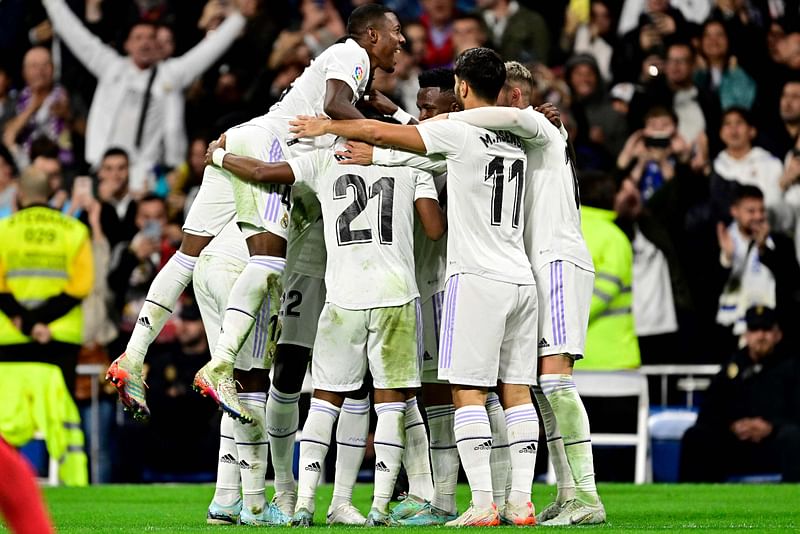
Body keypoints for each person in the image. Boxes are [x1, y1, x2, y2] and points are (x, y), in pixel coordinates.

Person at [106, 4, 406, 425]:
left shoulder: (346, 70)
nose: (403, 40)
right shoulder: (351, 53)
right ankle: (221, 364)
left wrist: (384, 114)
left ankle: (133, 355)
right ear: (372, 36)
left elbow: (336, 108)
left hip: (247, 135)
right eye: (396, 31)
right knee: (267, 260)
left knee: (186, 255)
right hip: (267, 146)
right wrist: (385, 139)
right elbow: (336, 104)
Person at [291, 47, 539, 527]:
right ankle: (454, 495)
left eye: (433, 108)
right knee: (430, 395)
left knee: (463, 393)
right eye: (419, 108)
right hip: (467, 281)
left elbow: (405, 146)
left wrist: (337, 131)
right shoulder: (519, 131)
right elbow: (416, 135)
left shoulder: (449, 142)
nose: (424, 115)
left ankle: (472, 498)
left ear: (460, 94)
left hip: (454, 282)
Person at [204, 137, 445, 526]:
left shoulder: (323, 159)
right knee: (390, 404)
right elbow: (434, 229)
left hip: (342, 297)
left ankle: (301, 504)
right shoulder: (410, 163)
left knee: (322, 401)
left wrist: (217, 155)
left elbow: (263, 173)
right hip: (397, 295)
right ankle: (380, 509)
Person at [435, 61, 606, 525]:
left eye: (511, 93)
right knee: (537, 391)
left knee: (554, 382)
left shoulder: (536, 125)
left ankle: (587, 496)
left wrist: (439, 119)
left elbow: (503, 120)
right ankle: (569, 492)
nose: (504, 102)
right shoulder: (519, 140)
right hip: (531, 268)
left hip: (555, 259)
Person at [40, 0, 246, 192]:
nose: (145, 43)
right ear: (127, 45)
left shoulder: (171, 74)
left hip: (148, 177)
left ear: (158, 46)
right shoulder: (110, 67)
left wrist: (239, 19)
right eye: (138, 38)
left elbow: (209, 50)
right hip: (105, 170)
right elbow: (74, 33)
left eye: (151, 38)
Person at [194, 221, 287, 526]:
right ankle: (256, 504)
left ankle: (225, 499)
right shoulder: (300, 176)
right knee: (252, 382)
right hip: (246, 268)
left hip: (208, 264)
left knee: (232, 383)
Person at [680, 306, 800, 482]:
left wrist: (771, 426)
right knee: (696, 436)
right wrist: (733, 426)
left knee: (794, 436)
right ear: (746, 335)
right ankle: (691, 504)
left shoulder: (791, 367)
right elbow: (709, 411)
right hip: (735, 445)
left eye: (766, 330)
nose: (760, 336)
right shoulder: (732, 367)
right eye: (754, 329)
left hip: (774, 445)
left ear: (777, 335)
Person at [0, 166, 93, 393]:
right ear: (49, 192)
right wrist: (41, 322)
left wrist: (29, 323)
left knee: (13, 422)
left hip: (13, 336)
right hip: (59, 337)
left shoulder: (3, 230)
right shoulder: (75, 230)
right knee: (58, 420)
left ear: (20, 194)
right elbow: (80, 287)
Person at [715, 185, 800, 352]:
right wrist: (727, 258)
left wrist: (764, 250)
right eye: (751, 211)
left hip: (772, 331)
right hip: (731, 330)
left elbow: (793, 280)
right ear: (735, 211)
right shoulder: (723, 240)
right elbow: (707, 286)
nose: (758, 216)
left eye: (761, 210)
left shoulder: (780, 242)